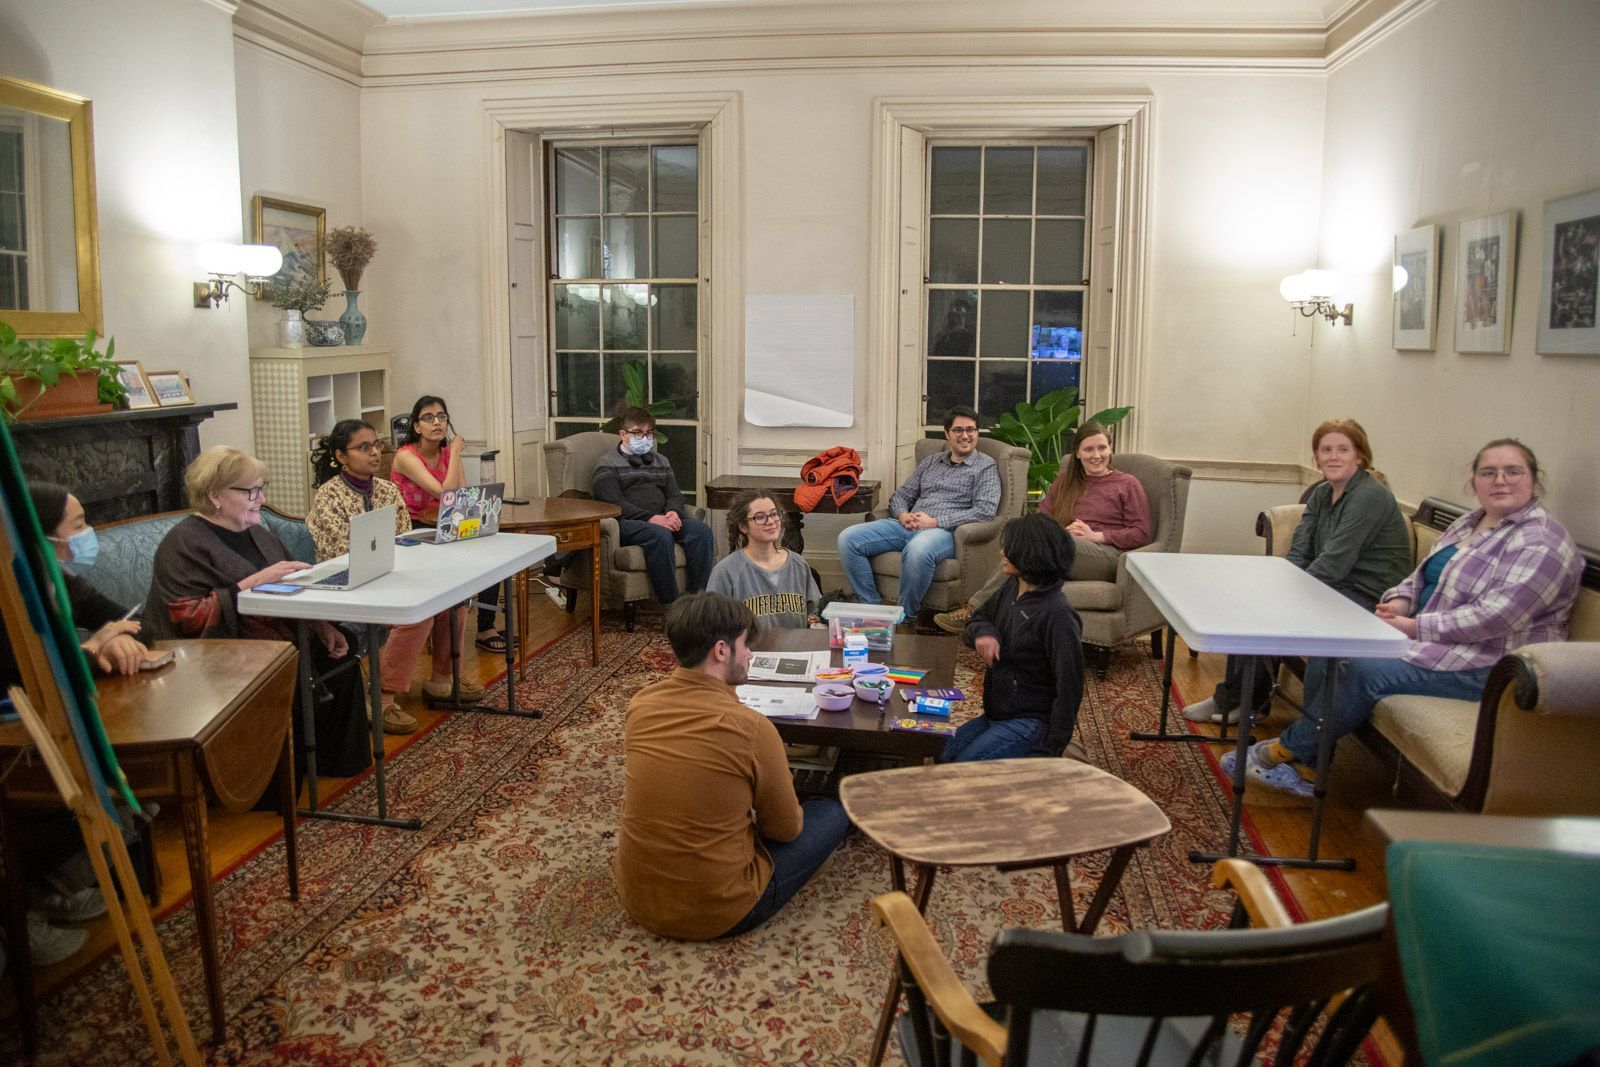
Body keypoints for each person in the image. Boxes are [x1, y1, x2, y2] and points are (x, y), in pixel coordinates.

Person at [1228, 438, 1582, 798]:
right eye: (1488, 472)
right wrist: (1398, 602)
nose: (1500, 481)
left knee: (1359, 670)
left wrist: (1415, 626)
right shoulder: (1469, 523)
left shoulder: (1542, 543)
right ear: (1474, 481)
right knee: (1330, 648)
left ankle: (1285, 750)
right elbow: (1421, 576)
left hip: (1488, 666)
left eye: (1513, 472)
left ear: (1534, 481)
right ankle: (1309, 769)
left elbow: (1495, 618)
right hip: (1428, 641)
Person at [614, 592, 850, 940]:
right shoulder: (752, 728)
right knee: (832, 811)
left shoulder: (641, 704)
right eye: (745, 645)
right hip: (720, 910)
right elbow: (784, 830)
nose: (751, 653)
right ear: (721, 651)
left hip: (637, 897)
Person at [0, 481, 161, 970]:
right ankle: (31, 903)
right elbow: (26, 677)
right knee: (116, 796)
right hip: (16, 738)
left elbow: (134, 622)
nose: (89, 534)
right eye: (79, 525)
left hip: (61, 719)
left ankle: (54, 888)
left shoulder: (59, 579)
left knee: (138, 793)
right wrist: (94, 649)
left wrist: (111, 641)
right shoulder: (9, 595)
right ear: (43, 538)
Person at [142, 446, 372, 778]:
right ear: (214, 495)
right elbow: (187, 618)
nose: (260, 499)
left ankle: (332, 763)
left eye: (261, 489)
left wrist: (322, 626)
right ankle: (270, 778)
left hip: (272, 634)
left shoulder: (258, 533)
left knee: (342, 648)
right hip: (215, 650)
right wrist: (250, 584)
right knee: (281, 665)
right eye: (251, 491)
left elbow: (294, 585)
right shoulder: (183, 544)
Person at [1183, 418, 1413, 726]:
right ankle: (1233, 699)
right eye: (1326, 449)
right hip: (1334, 588)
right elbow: (1299, 551)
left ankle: (1263, 709)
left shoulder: (1368, 496)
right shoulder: (1321, 494)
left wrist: (1286, 596)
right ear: (1316, 457)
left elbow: (1334, 563)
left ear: (1360, 455)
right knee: (1248, 609)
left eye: (1343, 449)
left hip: (1367, 599)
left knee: (1274, 614)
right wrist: (1274, 585)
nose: (1333, 456)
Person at [307, 419, 483, 733]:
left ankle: (442, 681)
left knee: (452, 597)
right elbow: (340, 555)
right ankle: (383, 697)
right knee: (416, 612)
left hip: (390, 576)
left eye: (376, 445)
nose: (375, 453)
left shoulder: (388, 490)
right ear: (341, 456)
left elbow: (404, 540)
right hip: (349, 588)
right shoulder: (328, 496)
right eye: (364, 448)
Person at [934, 421, 1149, 633]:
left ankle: (974, 610)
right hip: (1060, 550)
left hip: (1105, 558)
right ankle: (995, 622)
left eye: (1102, 448)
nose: (1096, 455)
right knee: (1023, 553)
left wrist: (1097, 535)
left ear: (1111, 449)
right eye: (1089, 449)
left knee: (1032, 549)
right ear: (1077, 453)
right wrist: (1058, 535)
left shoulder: (1127, 484)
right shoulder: (1066, 481)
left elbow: (1141, 533)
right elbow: (1041, 518)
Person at [941, 514, 1085, 762]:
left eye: (1010, 547)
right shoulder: (1012, 586)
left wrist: (1051, 750)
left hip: (1031, 723)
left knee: (958, 770)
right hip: (997, 715)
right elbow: (976, 620)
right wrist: (984, 634)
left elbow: (1070, 687)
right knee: (942, 754)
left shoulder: (1057, 614)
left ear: (1032, 553)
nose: (1002, 552)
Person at [837, 405, 1000, 619]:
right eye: (958, 430)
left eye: (971, 430)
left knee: (918, 549)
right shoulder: (931, 461)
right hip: (907, 524)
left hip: (945, 532)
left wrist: (934, 522)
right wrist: (903, 515)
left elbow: (984, 511)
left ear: (977, 432)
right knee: (848, 538)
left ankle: (905, 617)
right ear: (947, 434)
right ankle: (874, 612)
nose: (965, 436)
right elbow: (901, 495)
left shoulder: (985, 466)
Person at [391, 395, 511, 655]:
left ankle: (485, 627)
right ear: (416, 426)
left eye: (442, 417)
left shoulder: (446, 453)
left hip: (443, 522)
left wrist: (451, 455)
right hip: (411, 528)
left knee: (493, 552)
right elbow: (445, 493)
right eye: (428, 418)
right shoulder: (406, 456)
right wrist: (456, 451)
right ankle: (442, 626)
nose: (437, 423)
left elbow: (461, 497)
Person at [590, 406, 714, 607]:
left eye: (648, 433)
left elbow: (673, 494)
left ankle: (697, 602)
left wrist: (672, 512)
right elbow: (613, 503)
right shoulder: (607, 464)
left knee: (701, 532)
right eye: (638, 433)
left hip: (663, 518)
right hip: (627, 522)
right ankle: (671, 605)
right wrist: (652, 518)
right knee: (659, 535)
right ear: (623, 434)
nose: (645, 438)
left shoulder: (660, 460)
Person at [707, 490, 820, 632]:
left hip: (794, 650)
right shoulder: (726, 571)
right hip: (748, 652)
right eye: (760, 517)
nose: (771, 522)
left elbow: (815, 613)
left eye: (774, 514)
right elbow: (712, 626)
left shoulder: (798, 564)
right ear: (743, 526)